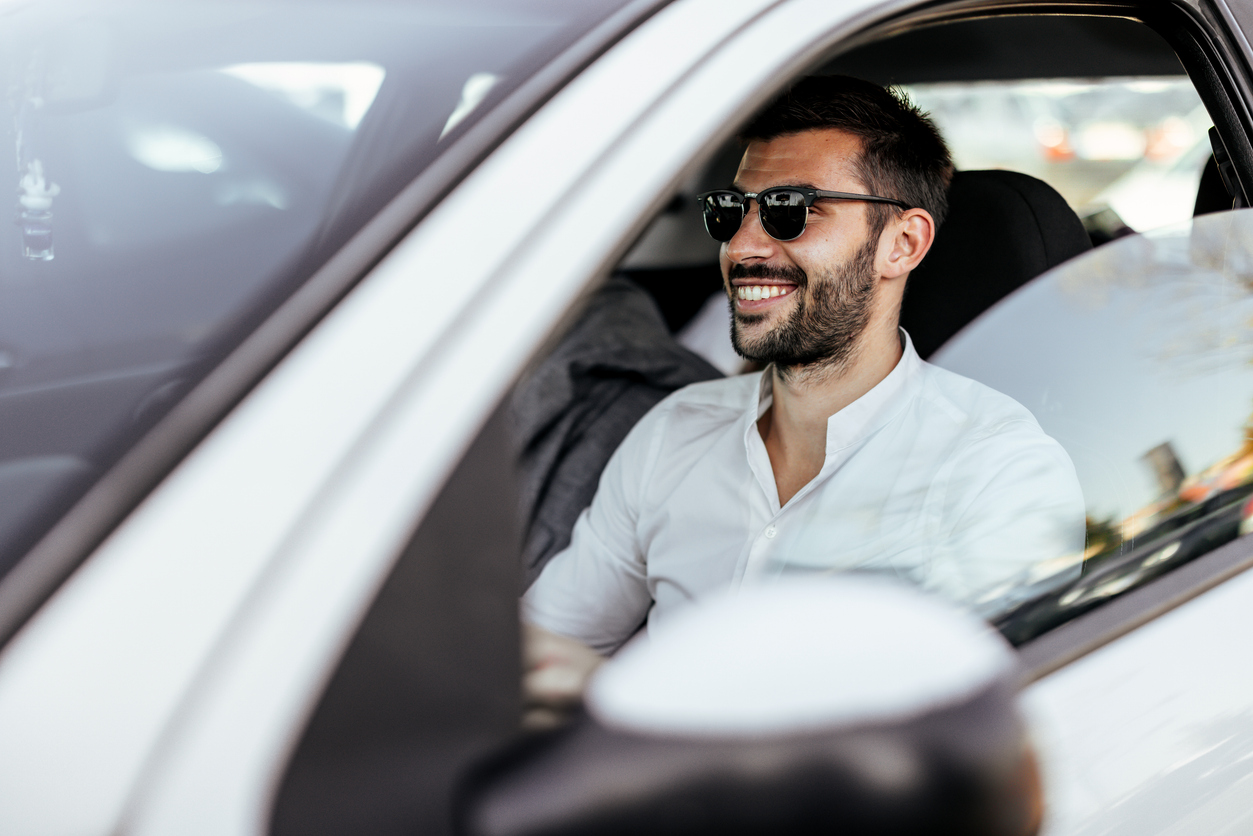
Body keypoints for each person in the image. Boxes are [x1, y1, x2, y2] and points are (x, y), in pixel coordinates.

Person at [522, 76, 1086, 658]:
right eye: (730, 211)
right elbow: (547, 646)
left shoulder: (998, 473)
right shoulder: (674, 431)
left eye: (790, 211)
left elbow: (965, 732)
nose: (742, 246)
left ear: (903, 244)